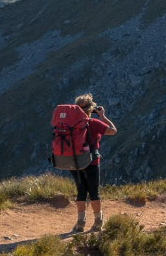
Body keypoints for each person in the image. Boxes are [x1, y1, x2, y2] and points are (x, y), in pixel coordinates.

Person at [70, 93, 118, 232]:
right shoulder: (94, 123)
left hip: (74, 162)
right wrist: (103, 116)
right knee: (94, 192)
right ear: (91, 109)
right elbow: (113, 131)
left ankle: (80, 223)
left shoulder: (70, 125)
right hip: (91, 162)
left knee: (81, 191)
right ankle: (98, 222)